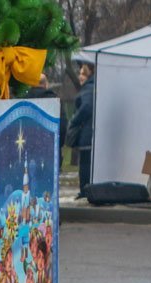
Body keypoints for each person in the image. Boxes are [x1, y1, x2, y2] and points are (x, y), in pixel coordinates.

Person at [67, 62, 96, 199]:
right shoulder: (91, 87)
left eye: (83, 74)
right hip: (89, 132)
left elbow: (86, 107)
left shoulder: (88, 89)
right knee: (86, 163)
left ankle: (85, 190)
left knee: (85, 164)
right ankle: (86, 189)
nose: (80, 76)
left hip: (86, 133)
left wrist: (74, 120)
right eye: (80, 73)